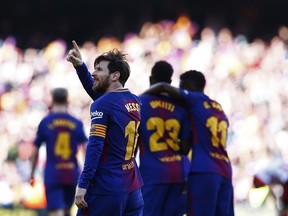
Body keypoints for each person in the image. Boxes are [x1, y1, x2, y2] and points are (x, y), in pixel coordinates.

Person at [143, 70, 234, 216]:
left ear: (189, 87)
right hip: (225, 170)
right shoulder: (218, 107)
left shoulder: (195, 100)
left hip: (203, 171)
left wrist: (138, 98)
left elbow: (163, 87)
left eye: (181, 87)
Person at [66, 45, 144, 216]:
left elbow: (95, 146)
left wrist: (83, 184)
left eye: (99, 69)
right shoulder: (135, 102)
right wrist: (80, 67)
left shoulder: (103, 104)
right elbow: (101, 95)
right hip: (133, 189)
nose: (94, 73)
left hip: (106, 189)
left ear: (115, 75)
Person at [138, 61, 191, 216]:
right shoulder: (181, 106)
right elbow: (186, 147)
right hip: (178, 172)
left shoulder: (140, 103)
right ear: (170, 82)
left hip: (152, 172)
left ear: (150, 79)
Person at [30, 87, 88, 216]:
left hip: (53, 173)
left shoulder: (45, 122)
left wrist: (32, 174)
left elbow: (35, 150)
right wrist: (86, 171)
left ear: (53, 100)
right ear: (67, 100)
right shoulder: (76, 122)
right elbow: (86, 146)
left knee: (56, 211)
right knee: (67, 211)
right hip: (72, 172)